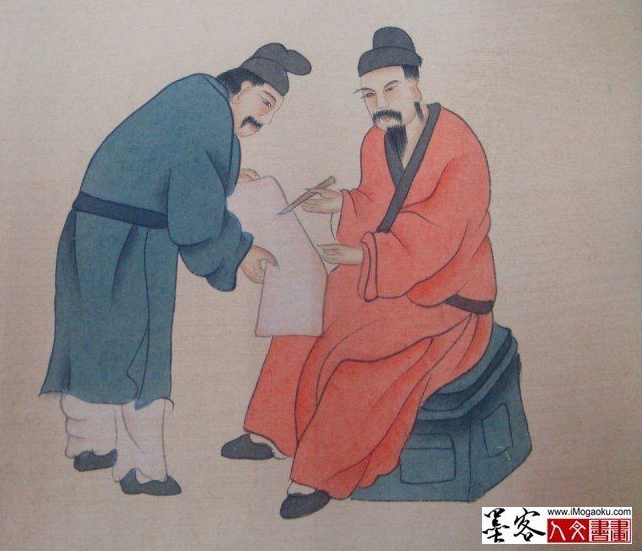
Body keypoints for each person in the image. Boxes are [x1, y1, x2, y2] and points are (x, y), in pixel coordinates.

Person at [222, 27, 497, 518]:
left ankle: (317, 474)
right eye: (369, 94)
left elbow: (441, 232)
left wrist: (366, 258)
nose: (380, 103)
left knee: (357, 360)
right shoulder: (377, 140)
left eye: (390, 89)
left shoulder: (459, 145)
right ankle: (272, 431)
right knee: (306, 309)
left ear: (415, 84)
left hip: (444, 296)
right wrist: (343, 203)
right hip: (388, 274)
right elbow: (377, 204)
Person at [41, 44, 311, 496]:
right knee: (141, 355)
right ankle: (142, 470)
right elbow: (193, 215)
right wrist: (238, 251)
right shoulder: (208, 114)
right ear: (241, 87)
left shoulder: (192, 96)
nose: (262, 121)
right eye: (264, 103)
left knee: (89, 333)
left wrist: (224, 180)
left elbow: (168, 162)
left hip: (90, 228)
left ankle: (89, 443)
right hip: (135, 240)